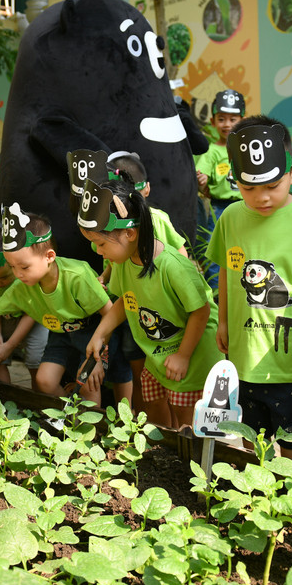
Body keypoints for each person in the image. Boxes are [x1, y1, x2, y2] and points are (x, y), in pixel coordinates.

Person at [207, 117, 292, 460]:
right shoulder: (231, 218)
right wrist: (222, 322)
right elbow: (225, 273)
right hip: (244, 354)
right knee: (251, 442)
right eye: (249, 189)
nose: (262, 198)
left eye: (272, 186)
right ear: (235, 181)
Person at [81, 178, 216, 428]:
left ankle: (193, 464)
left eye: (100, 243)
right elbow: (125, 299)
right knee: (152, 404)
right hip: (158, 355)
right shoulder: (122, 263)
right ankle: (166, 455)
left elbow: (201, 311)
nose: (97, 251)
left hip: (192, 353)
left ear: (129, 233)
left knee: (187, 418)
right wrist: (101, 334)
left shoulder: (173, 266)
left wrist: (183, 355)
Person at [0, 205, 121, 405]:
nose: (18, 274)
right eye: (12, 267)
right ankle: (69, 416)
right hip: (60, 332)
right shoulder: (22, 286)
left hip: (93, 331)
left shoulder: (77, 277)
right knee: (44, 381)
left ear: (49, 256)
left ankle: (90, 428)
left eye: (24, 267)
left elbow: (110, 314)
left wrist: (97, 358)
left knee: (90, 384)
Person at [0, 222, 48, 382]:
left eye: (3, 278)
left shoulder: (25, 276)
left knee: (35, 361)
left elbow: (31, 312)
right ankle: (1, 401)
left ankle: (40, 400)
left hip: (34, 317)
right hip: (1, 317)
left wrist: (10, 344)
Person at [193, 89, 246, 287]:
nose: (227, 124)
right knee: (216, 249)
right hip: (219, 209)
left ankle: (243, 284)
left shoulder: (247, 146)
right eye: (221, 119)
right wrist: (202, 180)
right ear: (213, 121)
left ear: (243, 119)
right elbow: (202, 175)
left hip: (247, 206)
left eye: (233, 119)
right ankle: (216, 289)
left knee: (246, 246)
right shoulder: (211, 150)